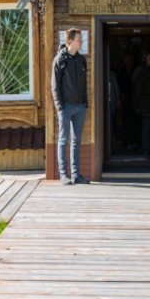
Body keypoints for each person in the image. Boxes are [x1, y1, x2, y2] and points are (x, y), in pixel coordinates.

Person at [51, 29, 89, 185]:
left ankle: (76, 175)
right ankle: (63, 175)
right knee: (63, 140)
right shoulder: (60, 59)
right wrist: (60, 107)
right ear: (70, 41)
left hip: (80, 107)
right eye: (79, 39)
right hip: (66, 107)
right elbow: (54, 85)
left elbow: (84, 84)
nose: (81, 42)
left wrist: (85, 103)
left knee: (76, 141)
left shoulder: (81, 60)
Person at [133, 53, 150, 156]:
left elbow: (138, 89)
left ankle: (146, 150)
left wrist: (137, 104)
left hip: (145, 105)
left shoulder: (142, 73)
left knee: (146, 128)